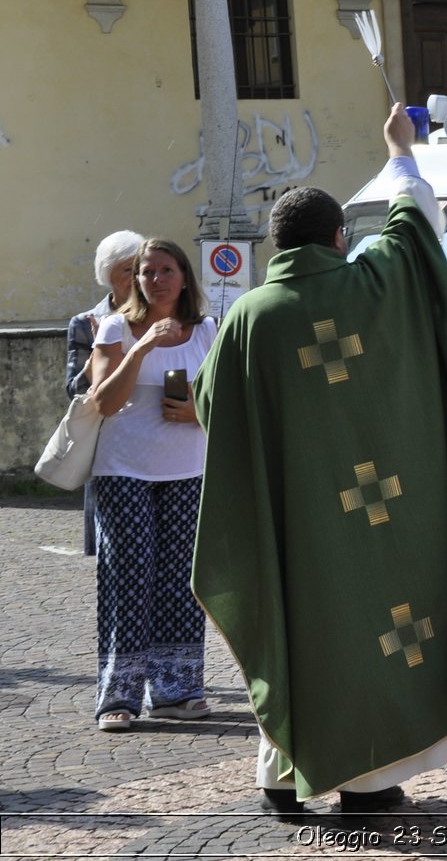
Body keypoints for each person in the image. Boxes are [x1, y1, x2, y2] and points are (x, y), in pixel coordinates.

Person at [192, 105, 447, 817]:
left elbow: (210, 408)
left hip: (298, 520)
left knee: (300, 631)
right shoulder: (374, 283)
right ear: (339, 237)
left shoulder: (249, 317)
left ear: (276, 243)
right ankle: (367, 786)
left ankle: (281, 776)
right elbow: (416, 230)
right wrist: (401, 152)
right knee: (382, 631)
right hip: (388, 512)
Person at [85, 239, 216, 732]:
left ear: (184, 277)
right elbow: (103, 401)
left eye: (166, 270)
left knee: (182, 580)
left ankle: (177, 691)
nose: (155, 279)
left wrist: (200, 411)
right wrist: (142, 347)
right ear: (135, 279)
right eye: (146, 271)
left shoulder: (207, 330)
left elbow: (231, 397)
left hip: (187, 469)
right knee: (130, 574)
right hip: (124, 470)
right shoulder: (118, 327)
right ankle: (118, 694)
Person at [66, 229, 145, 556]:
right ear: (107, 274)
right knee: (118, 549)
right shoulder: (85, 323)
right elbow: (74, 390)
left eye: (140, 267)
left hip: (156, 432)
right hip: (109, 441)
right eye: (128, 270)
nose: (138, 277)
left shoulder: (162, 316)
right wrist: (100, 355)